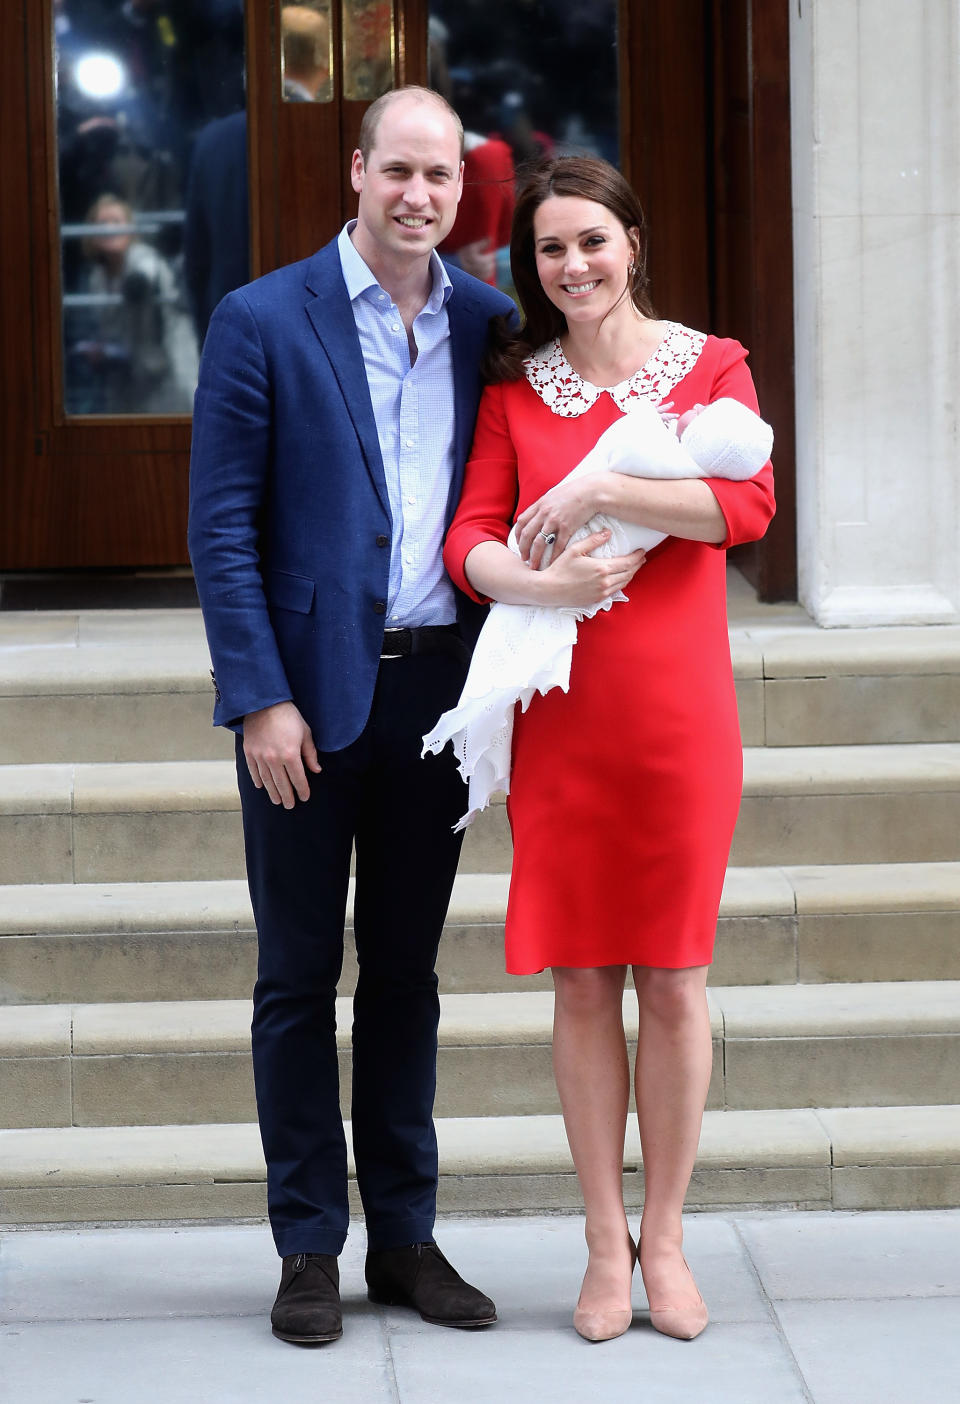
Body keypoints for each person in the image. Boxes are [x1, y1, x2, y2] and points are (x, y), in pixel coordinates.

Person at [188, 85, 514, 1346]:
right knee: (294, 978)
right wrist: (259, 696)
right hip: (304, 709)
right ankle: (307, 1247)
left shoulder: (490, 323)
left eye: (440, 177)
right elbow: (222, 529)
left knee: (408, 979)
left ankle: (408, 1240)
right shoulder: (264, 318)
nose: (419, 196)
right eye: (399, 172)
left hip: (438, 698)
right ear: (359, 172)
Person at [441, 155, 775, 1343]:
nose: (572, 266)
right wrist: (545, 574)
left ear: (633, 240)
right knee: (584, 979)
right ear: (528, 267)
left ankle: (669, 1240)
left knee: (676, 980)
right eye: (549, 249)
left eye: (592, 240)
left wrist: (597, 489)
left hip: (680, 718)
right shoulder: (512, 392)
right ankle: (601, 1245)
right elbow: (469, 541)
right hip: (566, 721)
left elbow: (745, 509)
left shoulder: (710, 366)